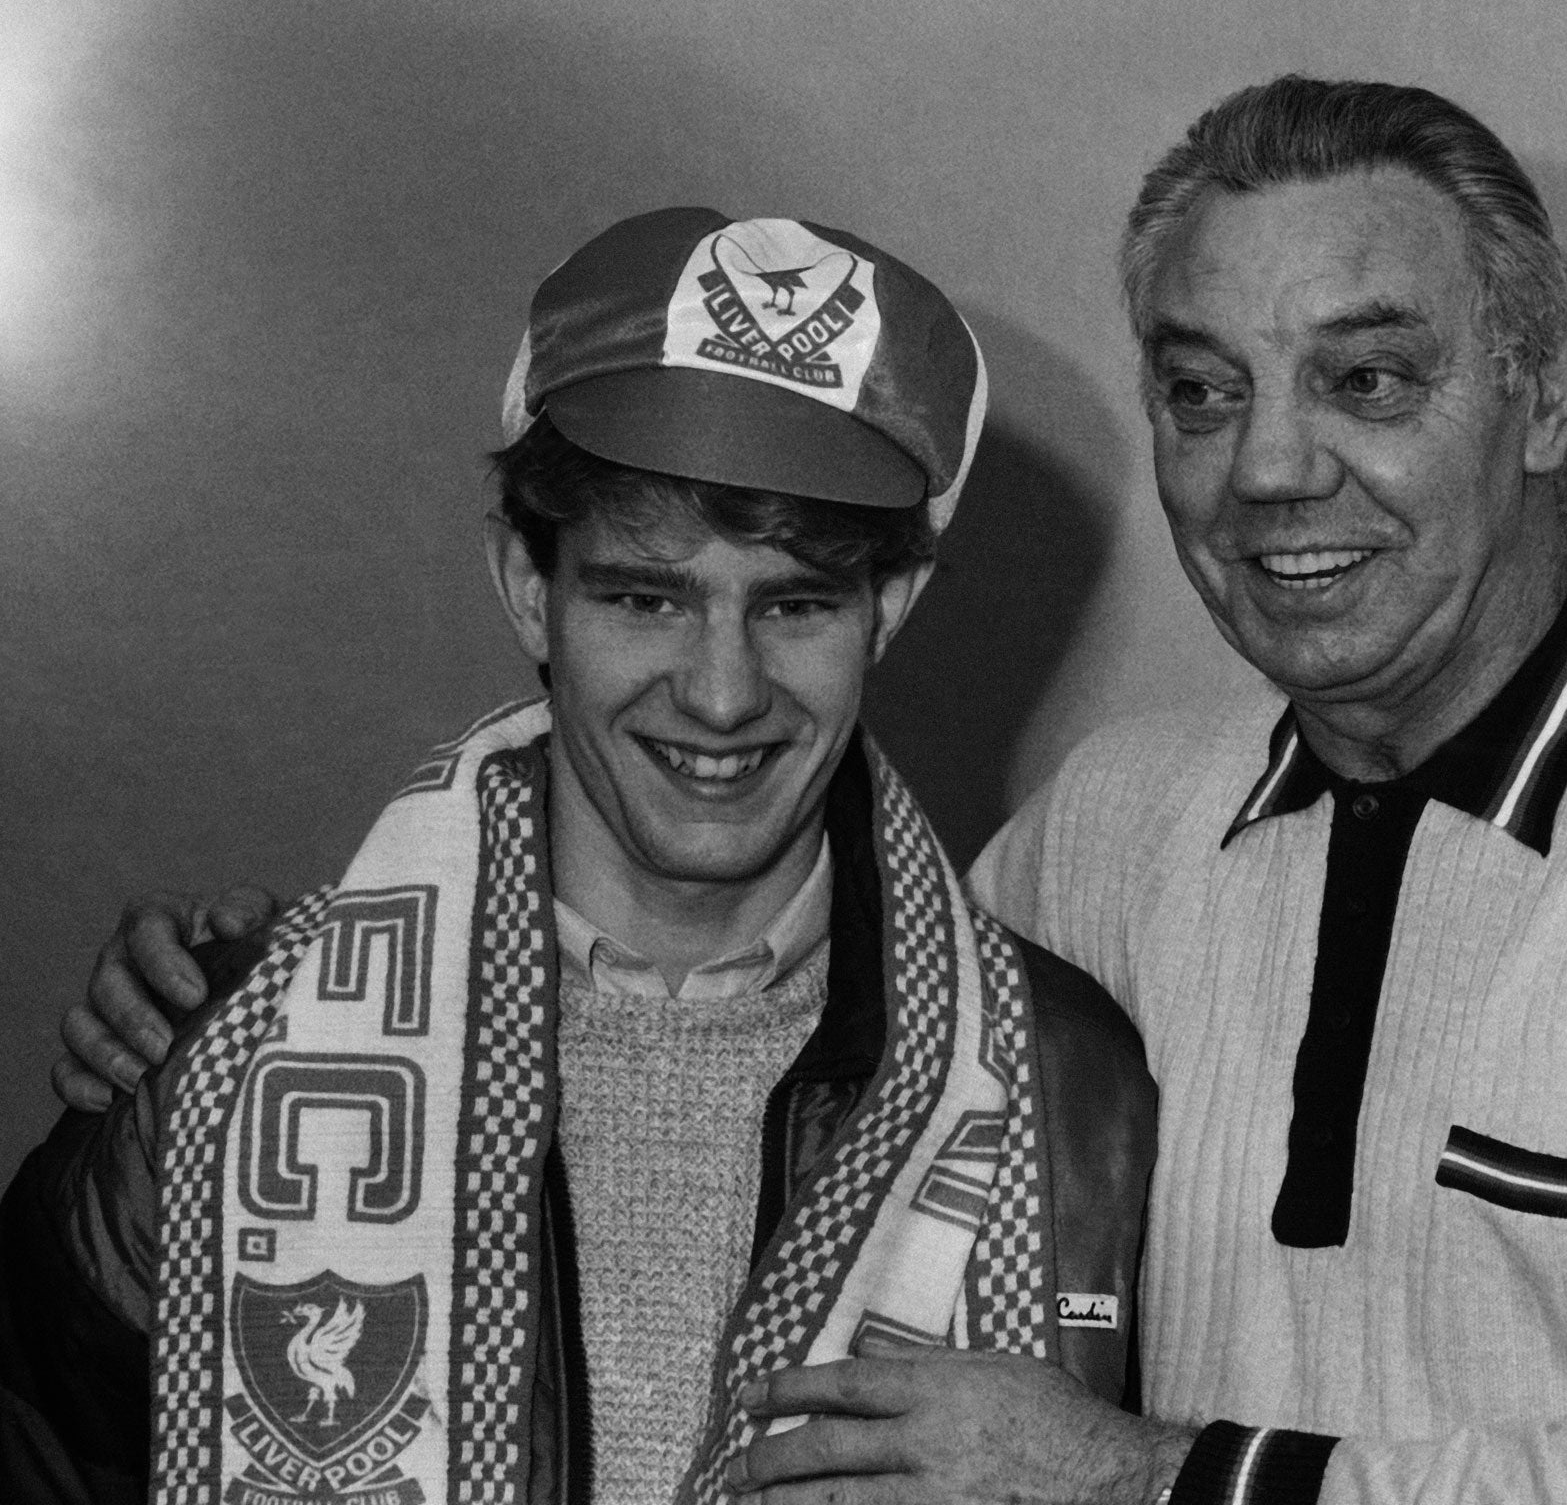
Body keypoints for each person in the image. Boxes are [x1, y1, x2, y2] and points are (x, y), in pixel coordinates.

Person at [50, 79, 1567, 1505]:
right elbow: (734, 993)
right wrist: (261, 1001)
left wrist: (1130, 1480)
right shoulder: (1105, 832)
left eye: (1371, 380)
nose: (1268, 471)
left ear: (1548, 393)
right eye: (1200, 386)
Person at [1, 206, 1154, 1505]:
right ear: (526, 583)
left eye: (795, 603)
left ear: (888, 608)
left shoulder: (1074, 1093)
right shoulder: (229, 1053)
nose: (722, 695)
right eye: (645, 595)